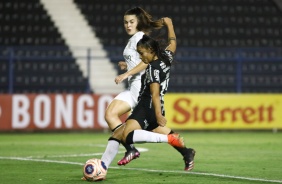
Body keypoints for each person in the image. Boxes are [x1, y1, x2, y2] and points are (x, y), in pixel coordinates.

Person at [99, 17, 195, 177]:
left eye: (142, 54)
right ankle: (101, 169)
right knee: (118, 134)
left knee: (127, 135)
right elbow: (173, 43)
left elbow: (155, 94)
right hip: (152, 106)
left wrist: (158, 115)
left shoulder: (152, 69)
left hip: (147, 106)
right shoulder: (166, 57)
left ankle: (169, 140)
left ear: (151, 51)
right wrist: (170, 24)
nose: (141, 57)